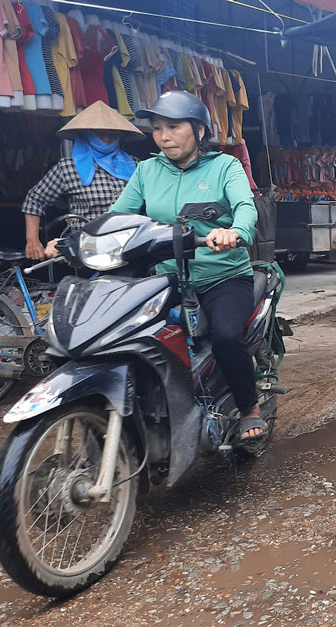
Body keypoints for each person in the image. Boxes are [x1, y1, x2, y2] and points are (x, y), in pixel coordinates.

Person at [93, 90, 264, 441]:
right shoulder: (146, 171)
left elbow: (245, 207)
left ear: (199, 131)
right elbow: (117, 216)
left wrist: (234, 231)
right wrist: (83, 238)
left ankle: (249, 407)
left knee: (226, 337)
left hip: (222, 276)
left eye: (173, 127)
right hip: (164, 278)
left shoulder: (224, 166)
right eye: (157, 128)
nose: (163, 136)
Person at [23, 101, 143, 260]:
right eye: (100, 133)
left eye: (113, 134)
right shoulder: (68, 168)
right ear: (87, 134)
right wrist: (32, 240)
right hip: (87, 251)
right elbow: (35, 200)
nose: (107, 138)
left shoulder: (135, 165)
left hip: (131, 246)